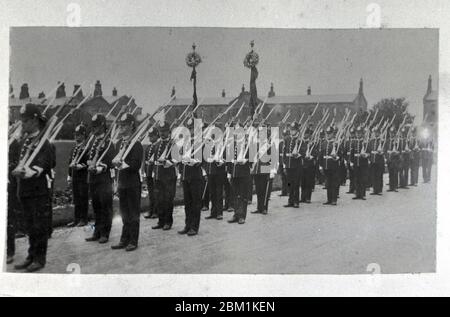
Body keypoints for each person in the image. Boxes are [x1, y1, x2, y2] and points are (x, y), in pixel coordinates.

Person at [12, 103, 53, 272]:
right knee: (29, 225)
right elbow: (17, 160)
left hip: (38, 191)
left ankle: (39, 258)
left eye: (26, 121)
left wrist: (31, 171)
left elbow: (47, 162)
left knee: (39, 226)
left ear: (35, 121)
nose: (23, 124)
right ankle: (31, 254)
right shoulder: (25, 141)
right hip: (25, 191)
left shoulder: (45, 143)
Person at [111, 113, 143, 251]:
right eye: (120, 125)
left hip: (133, 183)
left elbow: (135, 165)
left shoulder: (136, 144)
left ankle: (133, 241)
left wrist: (121, 164)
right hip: (122, 183)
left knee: (133, 214)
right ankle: (124, 239)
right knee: (124, 214)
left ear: (131, 126)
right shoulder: (118, 144)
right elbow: (113, 161)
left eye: (124, 125)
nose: (121, 127)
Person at [86, 114, 114, 244]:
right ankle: (97, 231)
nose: (94, 129)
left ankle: (105, 233)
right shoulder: (93, 141)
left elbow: (110, 162)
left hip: (104, 180)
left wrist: (98, 168)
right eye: (93, 126)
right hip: (93, 179)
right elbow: (89, 156)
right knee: (96, 206)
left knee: (105, 206)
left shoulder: (108, 143)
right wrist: (89, 163)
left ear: (102, 126)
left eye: (96, 126)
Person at [177, 118, 203, 236]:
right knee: (187, 203)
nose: (190, 130)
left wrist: (195, 161)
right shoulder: (185, 142)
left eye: (192, 128)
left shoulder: (200, 142)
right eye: (189, 128)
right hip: (186, 175)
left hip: (195, 176)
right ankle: (187, 225)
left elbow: (204, 159)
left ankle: (194, 227)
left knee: (195, 203)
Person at [152, 121, 177, 231]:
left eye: (164, 131)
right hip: (158, 176)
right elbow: (154, 161)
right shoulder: (157, 144)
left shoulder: (172, 144)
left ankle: (168, 221)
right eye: (160, 131)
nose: (162, 133)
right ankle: (161, 221)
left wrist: (168, 162)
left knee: (168, 199)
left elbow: (176, 160)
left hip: (169, 176)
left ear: (169, 132)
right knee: (159, 199)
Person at [228, 122, 251, 224]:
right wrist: (229, 172)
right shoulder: (232, 144)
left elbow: (253, 158)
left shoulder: (248, 144)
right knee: (235, 194)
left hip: (244, 173)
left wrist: (246, 160)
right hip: (234, 173)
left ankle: (242, 216)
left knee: (242, 195)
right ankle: (236, 214)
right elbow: (229, 159)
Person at [67, 124, 89, 227]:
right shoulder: (73, 148)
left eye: (79, 135)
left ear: (84, 135)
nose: (76, 137)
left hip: (83, 176)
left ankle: (83, 219)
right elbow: (70, 162)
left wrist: (82, 166)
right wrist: (69, 175)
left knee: (83, 197)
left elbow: (89, 162)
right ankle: (76, 219)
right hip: (75, 176)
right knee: (76, 198)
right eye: (75, 135)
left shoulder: (87, 148)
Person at [204, 122, 226, 220]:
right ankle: (213, 212)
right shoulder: (208, 143)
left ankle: (219, 212)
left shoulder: (222, 143)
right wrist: (205, 171)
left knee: (219, 192)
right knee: (212, 192)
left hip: (219, 171)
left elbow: (226, 157)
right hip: (210, 171)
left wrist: (222, 161)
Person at [251, 123, 274, 214]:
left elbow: (273, 158)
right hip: (257, 170)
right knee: (258, 190)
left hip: (265, 169)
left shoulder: (269, 145)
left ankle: (264, 208)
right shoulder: (255, 144)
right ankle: (259, 207)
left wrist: (272, 171)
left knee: (265, 190)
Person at [7, 136, 21, 264]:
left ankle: (9, 251)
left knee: (8, 218)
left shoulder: (13, 142)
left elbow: (17, 162)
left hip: (8, 183)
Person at [320, 126, 341, 206]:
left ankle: (334, 199)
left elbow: (341, 155)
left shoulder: (336, 143)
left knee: (334, 183)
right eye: (327, 133)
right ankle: (329, 199)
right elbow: (321, 156)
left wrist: (337, 157)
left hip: (334, 166)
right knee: (328, 183)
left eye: (330, 133)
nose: (328, 135)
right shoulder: (324, 143)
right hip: (326, 166)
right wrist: (321, 166)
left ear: (333, 134)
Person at [283, 122, 301, 208]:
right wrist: (284, 164)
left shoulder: (299, 139)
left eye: (293, 130)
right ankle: (290, 201)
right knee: (289, 184)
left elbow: (304, 151)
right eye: (291, 130)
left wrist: (298, 155)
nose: (292, 131)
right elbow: (284, 152)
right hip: (288, 165)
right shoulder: (287, 139)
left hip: (296, 165)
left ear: (297, 130)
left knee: (296, 184)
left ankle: (296, 201)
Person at [143, 127, 159, 219]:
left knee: (156, 193)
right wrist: (145, 173)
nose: (150, 138)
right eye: (150, 136)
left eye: (152, 136)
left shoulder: (157, 146)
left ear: (157, 136)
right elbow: (146, 161)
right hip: (149, 173)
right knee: (151, 193)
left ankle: (156, 211)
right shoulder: (149, 147)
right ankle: (151, 210)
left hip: (155, 173)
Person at [351, 126, 371, 200]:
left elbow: (369, 152)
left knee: (363, 179)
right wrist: (352, 162)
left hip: (363, 163)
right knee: (356, 179)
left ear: (362, 134)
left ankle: (362, 194)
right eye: (357, 133)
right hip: (356, 163)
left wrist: (366, 155)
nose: (358, 134)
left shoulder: (365, 142)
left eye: (359, 133)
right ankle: (357, 194)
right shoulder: (354, 142)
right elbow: (352, 153)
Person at [299, 127, 316, 203]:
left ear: (309, 135)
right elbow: (299, 152)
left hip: (310, 165)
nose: (305, 135)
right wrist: (303, 156)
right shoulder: (301, 143)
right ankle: (303, 197)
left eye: (306, 134)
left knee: (308, 182)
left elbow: (316, 152)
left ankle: (308, 198)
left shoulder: (312, 143)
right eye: (304, 134)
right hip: (303, 165)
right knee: (303, 182)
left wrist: (312, 156)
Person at [368, 126, 385, 195]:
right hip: (373, 160)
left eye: (377, 132)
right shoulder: (372, 141)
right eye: (375, 132)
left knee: (379, 175)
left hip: (379, 161)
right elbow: (369, 150)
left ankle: (379, 189)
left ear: (379, 133)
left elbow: (384, 149)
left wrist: (382, 152)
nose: (376, 134)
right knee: (373, 175)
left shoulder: (382, 141)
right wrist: (369, 159)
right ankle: (375, 189)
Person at [386, 127, 400, 192]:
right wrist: (387, 156)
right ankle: (391, 187)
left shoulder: (397, 141)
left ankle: (395, 187)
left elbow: (399, 150)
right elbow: (385, 149)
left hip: (395, 160)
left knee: (395, 174)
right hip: (389, 160)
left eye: (393, 133)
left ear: (394, 133)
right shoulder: (388, 140)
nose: (391, 134)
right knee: (390, 174)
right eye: (391, 133)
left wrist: (396, 152)